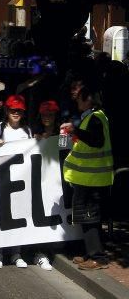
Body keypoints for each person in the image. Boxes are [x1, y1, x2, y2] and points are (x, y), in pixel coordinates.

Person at [61, 86, 112, 270]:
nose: (77, 101)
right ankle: (91, 252)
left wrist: (76, 131)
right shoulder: (95, 117)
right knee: (86, 216)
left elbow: (96, 141)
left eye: (80, 98)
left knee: (90, 218)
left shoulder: (95, 117)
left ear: (88, 99)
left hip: (92, 178)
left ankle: (97, 257)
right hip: (89, 177)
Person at [0, 95, 35, 269]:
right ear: (6, 111)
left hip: (21, 180)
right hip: (1, 178)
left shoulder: (27, 131)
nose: (16, 113)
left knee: (18, 216)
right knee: (0, 216)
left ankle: (16, 252)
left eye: (19, 111)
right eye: (13, 110)